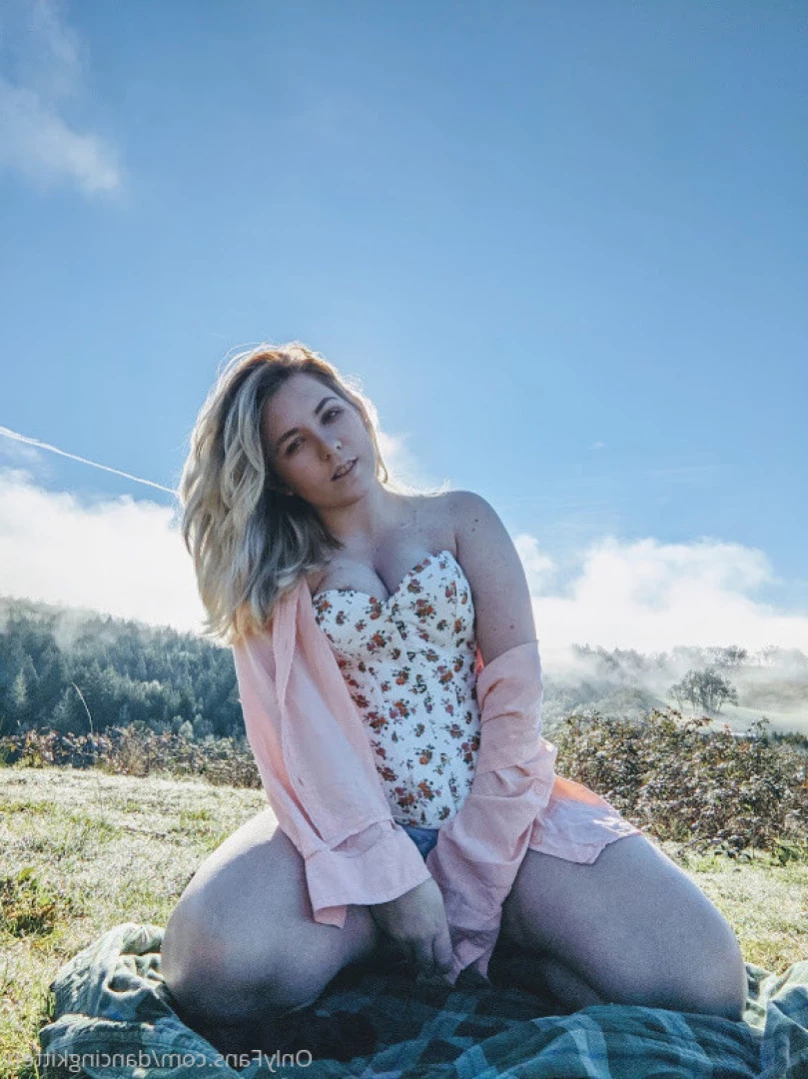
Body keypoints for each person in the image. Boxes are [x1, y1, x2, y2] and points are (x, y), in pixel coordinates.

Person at [160, 341, 747, 1055]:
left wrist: (471, 878)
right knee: (207, 967)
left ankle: (504, 943)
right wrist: (392, 880)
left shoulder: (462, 518)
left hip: (504, 820)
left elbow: (514, 702)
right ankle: (386, 936)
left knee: (706, 981)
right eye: (295, 444)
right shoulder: (277, 577)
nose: (329, 446)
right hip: (346, 826)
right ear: (277, 477)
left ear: (358, 408)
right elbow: (302, 747)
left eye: (331, 415)